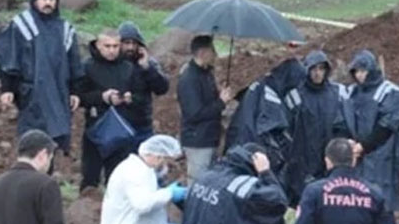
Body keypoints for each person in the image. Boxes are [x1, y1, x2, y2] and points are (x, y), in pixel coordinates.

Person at [0, 0, 82, 153]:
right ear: (34, 1)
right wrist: (7, 88)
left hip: (59, 91)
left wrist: (75, 91)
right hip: (31, 93)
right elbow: (8, 56)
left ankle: (47, 177)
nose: (48, 3)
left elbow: (73, 61)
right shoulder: (22, 25)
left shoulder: (65, 29)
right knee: (32, 141)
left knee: (53, 143)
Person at [225, 57, 306, 198]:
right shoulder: (270, 95)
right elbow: (270, 129)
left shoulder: (260, 85)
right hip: (253, 148)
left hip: (237, 141)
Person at [342, 49, 399, 211]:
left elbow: (387, 125)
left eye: (363, 71)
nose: (359, 75)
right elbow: (341, 120)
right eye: (356, 71)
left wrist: (364, 146)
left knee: (382, 204)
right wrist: (349, 142)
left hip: (383, 156)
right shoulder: (351, 93)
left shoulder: (390, 92)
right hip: (356, 157)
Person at [284, 50, 349, 203]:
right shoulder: (296, 95)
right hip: (302, 158)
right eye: (313, 69)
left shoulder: (336, 94)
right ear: (307, 70)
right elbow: (287, 129)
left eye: (321, 68)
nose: (317, 73)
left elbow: (343, 126)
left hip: (329, 156)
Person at [76, 29, 134, 189]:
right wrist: (103, 97)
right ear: (98, 45)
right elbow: (78, 96)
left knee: (117, 179)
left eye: (115, 46)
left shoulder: (128, 67)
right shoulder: (87, 66)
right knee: (90, 176)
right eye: (107, 46)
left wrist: (129, 97)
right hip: (96, 127)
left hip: (121, 128)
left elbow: (140, 94)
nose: (111, 50)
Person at [178, 35, 234, 182]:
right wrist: (221, 102)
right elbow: (194, 113)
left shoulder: (206, 74)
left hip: (210, 138)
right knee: (198, 184)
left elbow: (208, 102)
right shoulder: (189, 79)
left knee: (209, 182)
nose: (215, 54)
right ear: (202, 53)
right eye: (212, 50)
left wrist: (220, 96)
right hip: (198, 142)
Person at [118, 21, 170, 139]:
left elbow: (162, 88)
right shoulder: (114, 64)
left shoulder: (148, 64)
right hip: (118, 123)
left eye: (133, 43)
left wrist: (147, 67)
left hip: (142, 125)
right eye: (126, 43)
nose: (130, 47)